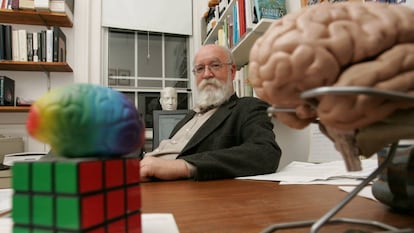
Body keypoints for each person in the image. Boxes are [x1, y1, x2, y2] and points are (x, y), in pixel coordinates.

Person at [140, 44, 282, 181]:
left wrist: (184, 166)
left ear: (232, 71)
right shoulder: (190, 116)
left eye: (215, 65)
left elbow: (266, 152)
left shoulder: (248, 107)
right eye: (200, 68)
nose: (207, 74)